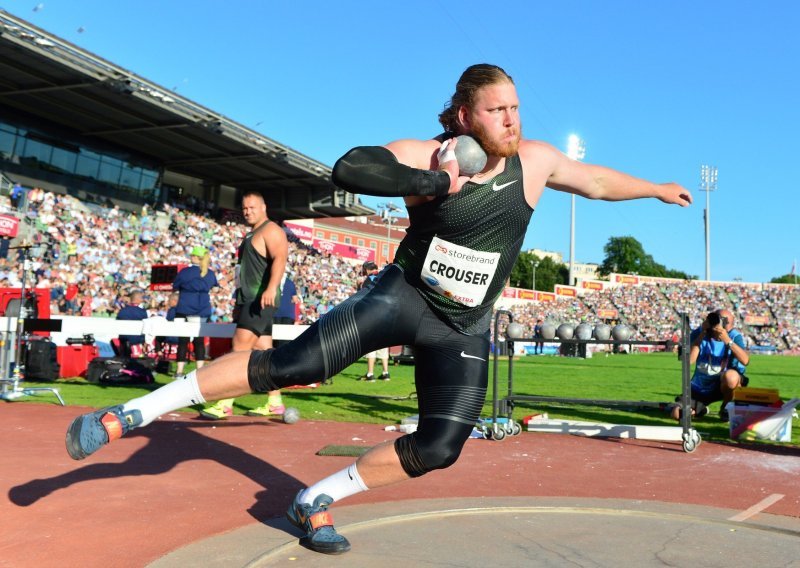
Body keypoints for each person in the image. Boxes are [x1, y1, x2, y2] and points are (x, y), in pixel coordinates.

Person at [64, 64, 692, 555]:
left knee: (441, 447)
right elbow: (353, 167)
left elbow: (599, 183)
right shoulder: (434, 152)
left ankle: (315, 499)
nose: (512, 120)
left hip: (462, 325)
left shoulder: (535, 161)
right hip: (403, 297)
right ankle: (134, 411)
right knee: (292, 364)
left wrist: (657, 189)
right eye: (498, 109)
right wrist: (436, 182)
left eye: (517, 107)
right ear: (468, 115)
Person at [200, 191, 289, 420]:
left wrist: (271, 288)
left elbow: (280, 258)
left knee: (239, 350)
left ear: (264, 207)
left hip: (261, 299)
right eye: (245, 208)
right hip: (250, 299)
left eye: (252, 207)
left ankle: (225, 402)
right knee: (265, 353)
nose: (248, 212)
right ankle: (275, 402)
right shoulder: (252, 234)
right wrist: (239, 301)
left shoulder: (271, 230)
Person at [670, 308, 749, 422]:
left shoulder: (734, 336)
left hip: (722, 384)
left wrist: (727, 341)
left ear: (728, 325)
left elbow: (745, 360)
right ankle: (700, 409)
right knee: (677, 414)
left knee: (731, 377)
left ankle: (725, 408)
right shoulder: (700, 332)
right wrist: (702, 334)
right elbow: (688, 361)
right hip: (700, 386)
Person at [172, 247, 218, 377]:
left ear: (195, 257)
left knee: (183, 339)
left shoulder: (185, 272)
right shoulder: (209, 273)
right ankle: (200, 371)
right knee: (199, 340)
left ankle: (179, 371)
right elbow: (214, 288)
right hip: (202, 308)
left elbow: (175, 286)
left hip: (184, 307)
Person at [359, 261, 390, 381]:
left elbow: (363, 298)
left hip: (372, 316)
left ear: (366, 270)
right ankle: (386, 373)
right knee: (383, 347)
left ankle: (370, 374)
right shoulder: (384, 276)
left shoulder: (368, 280)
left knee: (371, 345)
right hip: (386, 316)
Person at [115, 289, 148, 358]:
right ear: (138, 299)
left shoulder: (122, 311)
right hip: (137, 344)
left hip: (123, 343)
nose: (142, 300)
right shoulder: (142, 312)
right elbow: (145, 328)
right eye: (141, 298)